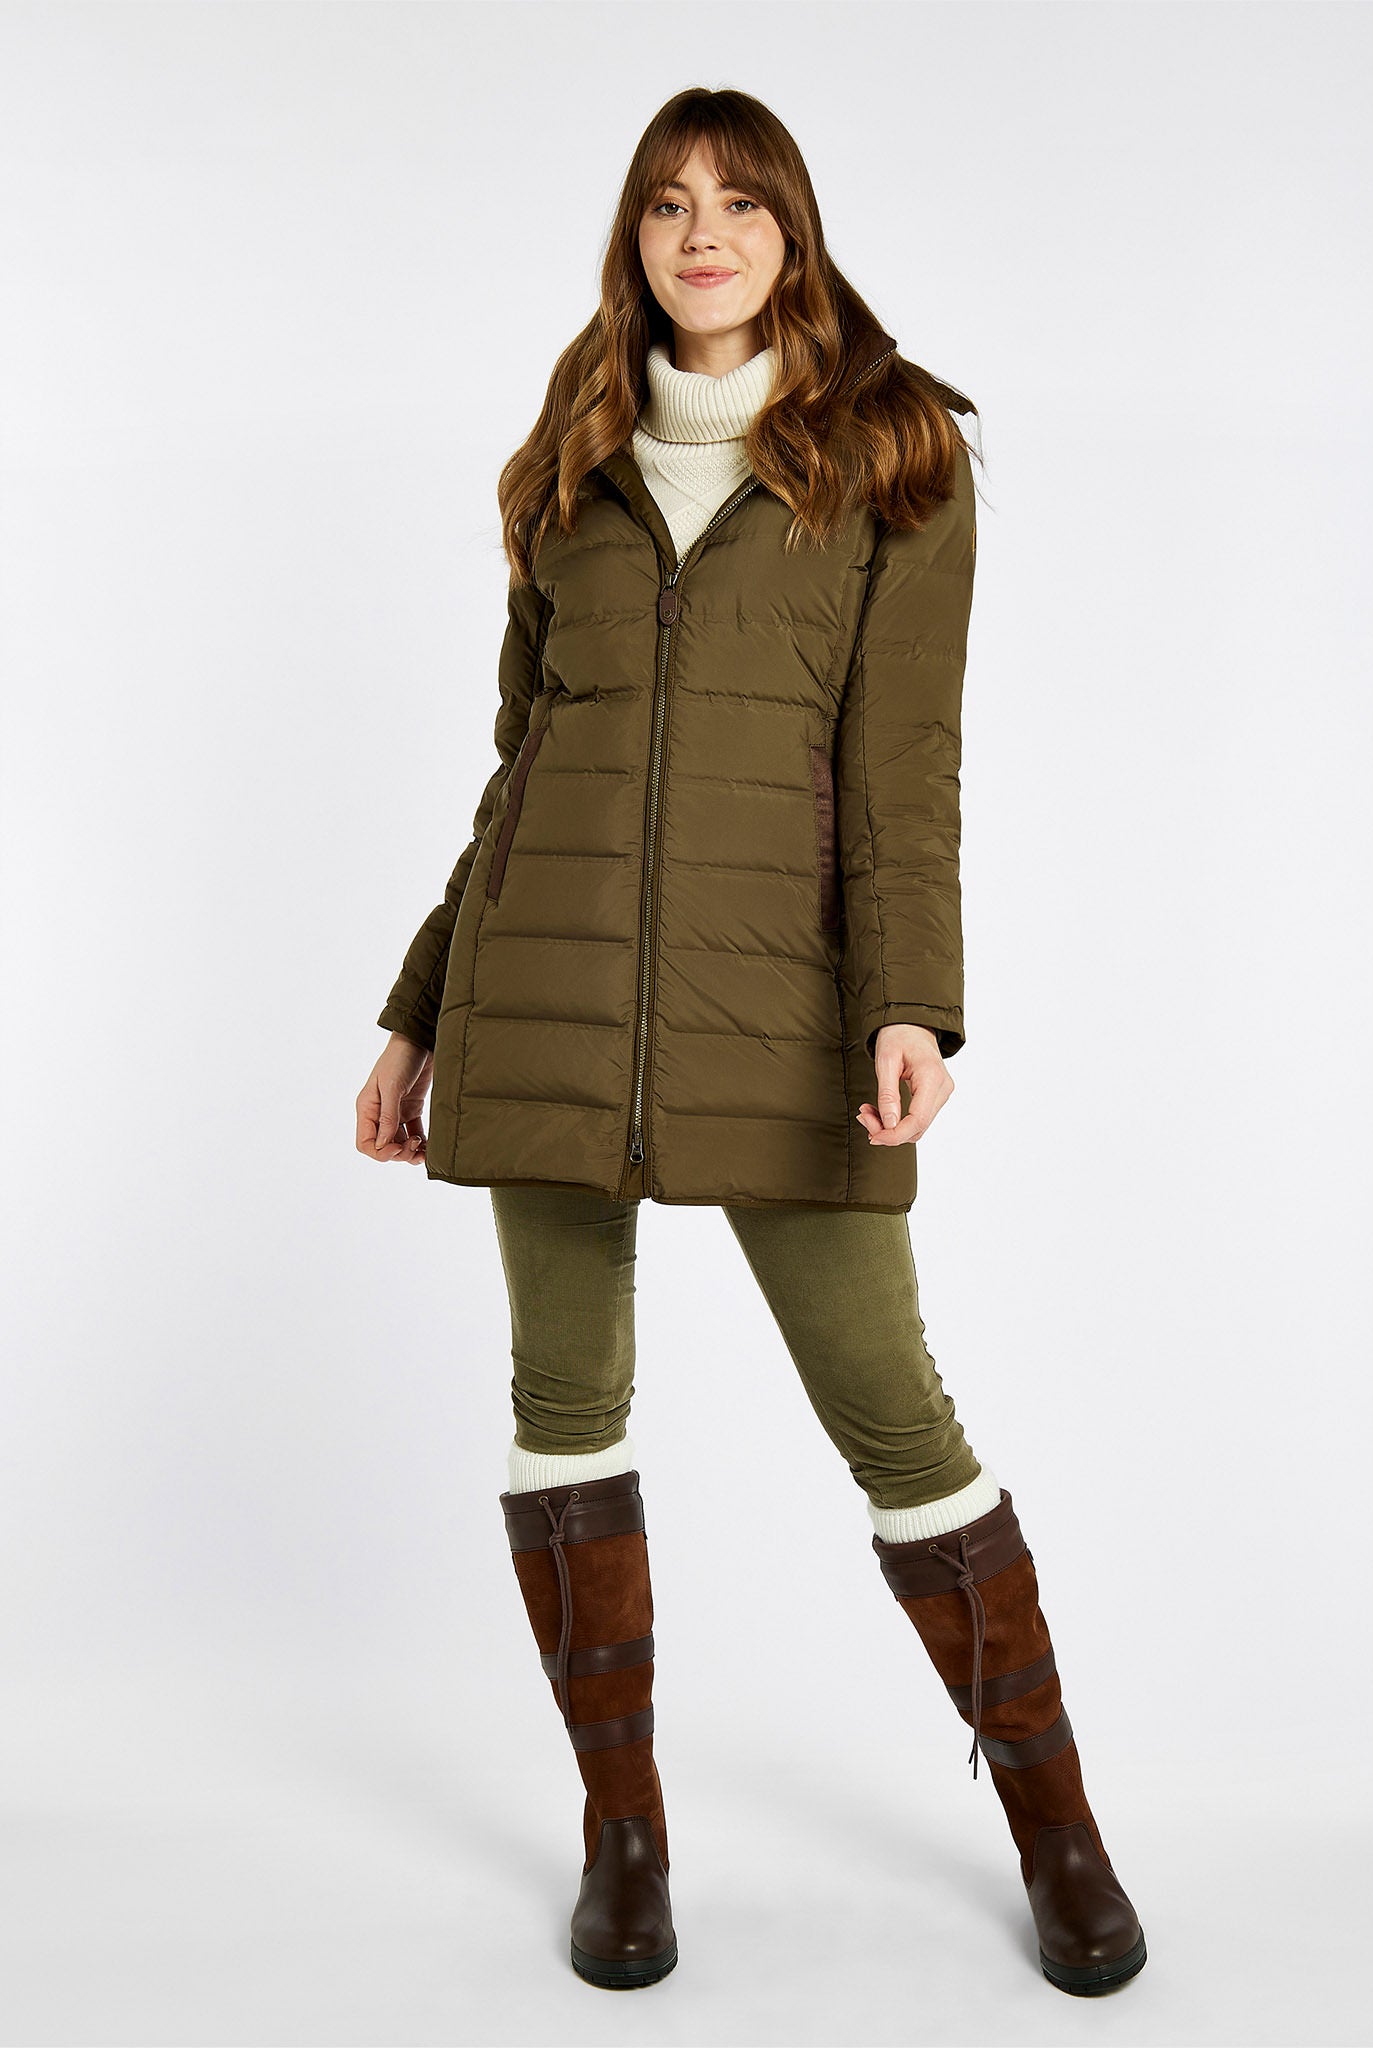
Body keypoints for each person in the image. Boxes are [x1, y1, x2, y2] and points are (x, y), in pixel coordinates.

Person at [355, 86, 1145, 1999]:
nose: (699, 234)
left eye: (736, 202)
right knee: (563, 1416)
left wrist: (908, 1001)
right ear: (630, 239)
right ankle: (621, 1837)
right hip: (542, 1004)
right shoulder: (568, 460)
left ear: (792, 231)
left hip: (783, 1014)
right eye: (664, 204)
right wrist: (418, 1006)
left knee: (901, 1426)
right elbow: (519, 771)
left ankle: (1058, 1832)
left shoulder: (891, 453)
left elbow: (905, 767)